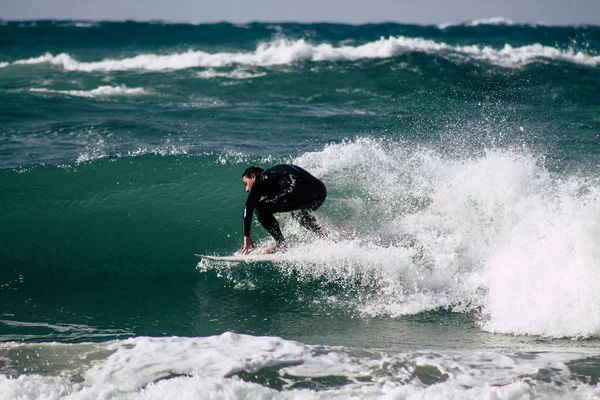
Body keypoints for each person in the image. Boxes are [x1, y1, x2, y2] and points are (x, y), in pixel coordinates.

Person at [241, 164, 327, 255]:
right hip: (320, 191)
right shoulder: (275, 175)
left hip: (298, 189)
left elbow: (249, 206)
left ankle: (281, 244)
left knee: (260, 209)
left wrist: (246, 235)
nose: (246, 189)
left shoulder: (260, 180)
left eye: (246, 184)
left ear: (253, 176)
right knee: (297, 214)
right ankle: (323, 233)